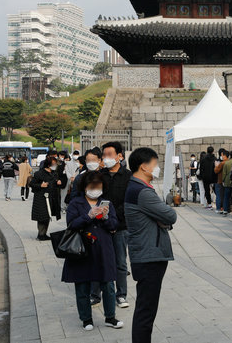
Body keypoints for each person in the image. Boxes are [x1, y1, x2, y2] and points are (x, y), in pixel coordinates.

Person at [125, 147, 177, 343]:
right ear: (143, 167)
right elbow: (170, 215)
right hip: (149, 256)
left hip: (145, 253)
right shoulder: (142, 192)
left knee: (146, 308)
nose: (157, 169)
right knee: (146, 311)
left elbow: (163, 217)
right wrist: (162, 218)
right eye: (155, 165)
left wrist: (161, 218)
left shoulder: (136, 187)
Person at [61, 170, 123, 331]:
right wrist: (88, 216)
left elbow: (114, 226)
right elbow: (71, 224)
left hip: (103, 247)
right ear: (85, 186)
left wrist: (106, 218)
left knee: (108, 284)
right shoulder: (76, 203)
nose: (95, 189)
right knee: (82, 285)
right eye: (91, 186)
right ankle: (86, 319)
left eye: (98, 185)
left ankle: (110, 317)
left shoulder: (106, 203)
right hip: (82, 248)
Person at [89, 142, 132, 309]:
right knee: (98, 259)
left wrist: (114, 220)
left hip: (121, 226)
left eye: (109, 154)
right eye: (104, 155)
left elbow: (129, 202)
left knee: (120, 262)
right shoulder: (99, 175)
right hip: (101, 225)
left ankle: (121, 295)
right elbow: (94, 198)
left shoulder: (128, 176)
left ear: (119, 156)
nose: (106, 158)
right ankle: (95, 294)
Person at [30, 156, 65, 240]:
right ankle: (41, 234)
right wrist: (41, 185)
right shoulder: (39, 173)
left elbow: (54, 183)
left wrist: (58, 183)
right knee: (42, 216)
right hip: (41, 198)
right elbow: (31, 184)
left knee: (48, 216)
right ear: (48, 165)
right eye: (54, 164)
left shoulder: (54, 173)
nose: (55, 165)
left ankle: (44, 233)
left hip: (52, 198)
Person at [221, 150, 232, 216]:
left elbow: (224, 173)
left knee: (226, 196)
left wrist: (223, 180)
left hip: (227, 181)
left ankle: (225, 210)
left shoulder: (227, 163)